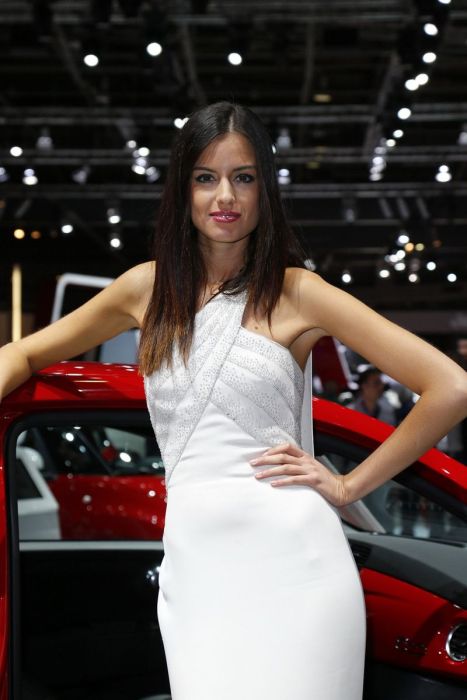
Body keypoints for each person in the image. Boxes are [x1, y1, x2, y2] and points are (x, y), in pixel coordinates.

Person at [1, 101, 467, 700]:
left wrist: (349, 486)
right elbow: (25, 355)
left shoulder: (299, 292)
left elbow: (450, 387)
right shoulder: (146, 289)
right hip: (198, 576)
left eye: (243, 177)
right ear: (183, 190)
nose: (225, 195)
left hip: (299, 570)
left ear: (264, 191)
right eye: (206, 177)